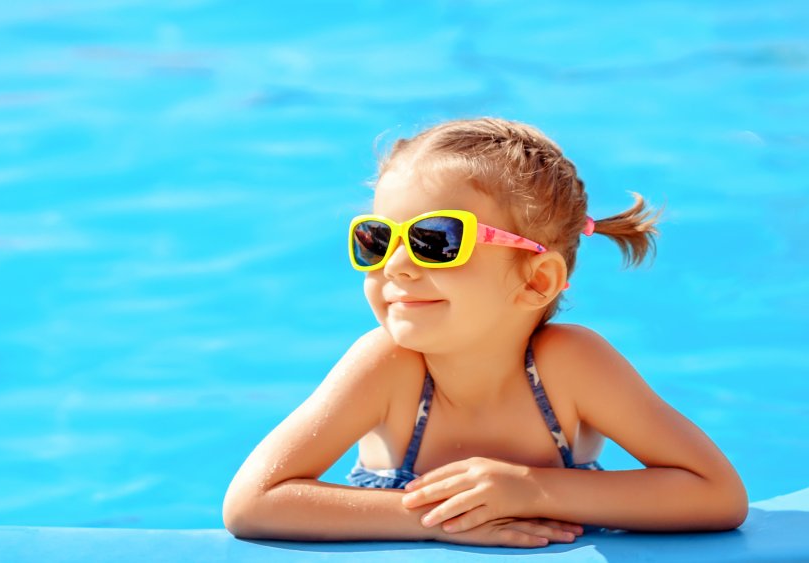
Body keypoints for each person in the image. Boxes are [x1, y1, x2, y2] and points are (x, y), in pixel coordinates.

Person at [222, 117, 748, 548]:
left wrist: (532, 490)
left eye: (435, 240)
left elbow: (717, 494)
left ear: (536, 280)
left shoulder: (571, 365)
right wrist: (436, 522)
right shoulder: (387, 366)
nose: (396, 266)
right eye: (378, 239)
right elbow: (253, 503)